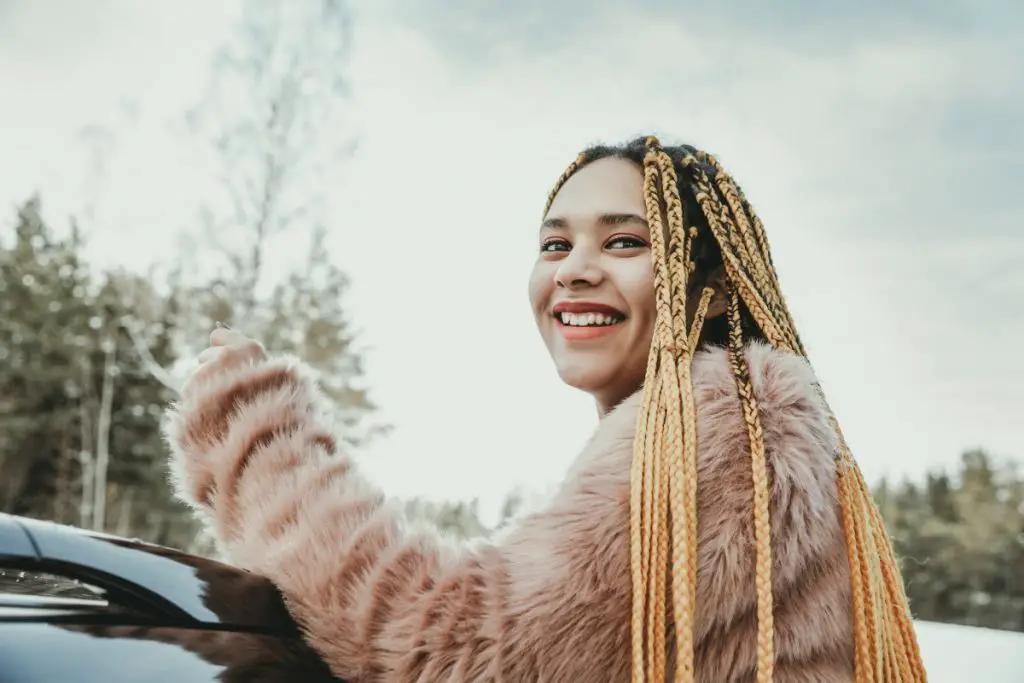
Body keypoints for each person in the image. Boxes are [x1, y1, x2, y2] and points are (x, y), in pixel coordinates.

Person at [163, 136, 926, 682]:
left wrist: (251, 428)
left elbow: (452, 652)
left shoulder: (728, 428)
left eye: (626, 241)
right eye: (554, 245)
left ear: (712, 288)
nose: (576, 271)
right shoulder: (738, 430)